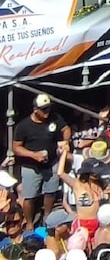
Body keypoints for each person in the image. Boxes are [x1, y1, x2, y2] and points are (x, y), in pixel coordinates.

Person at [12, 94, 71, 227]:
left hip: (51, 163)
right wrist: (33, 155)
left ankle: (47, 217)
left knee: (50, 192)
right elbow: (16, 148)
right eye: (44, 109)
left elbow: (66, 129)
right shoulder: (24, 126)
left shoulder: (54, 118)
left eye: (48, 108)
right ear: (35, 110)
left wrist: (64, 141)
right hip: (31, 166)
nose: (47, 111)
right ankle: (29, 223)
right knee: (30, 196)